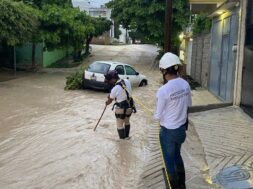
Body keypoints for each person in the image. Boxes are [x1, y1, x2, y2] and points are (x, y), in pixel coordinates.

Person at [154, 52, 192, 189]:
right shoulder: (185, 84)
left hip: (168, 132)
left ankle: (173, 186)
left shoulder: (163, 90)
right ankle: (182, 184)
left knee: (168, 159)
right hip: (181, 130)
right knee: (177, 155)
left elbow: (157, 116)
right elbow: (189, 105)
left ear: (163, 70)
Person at [104, 70, 135, 139]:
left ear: (113, 79)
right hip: (130, 106)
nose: (109, 82)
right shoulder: (127, 81)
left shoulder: (115, 89)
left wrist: (107, 102)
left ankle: (122, 143)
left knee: (120, 125)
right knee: (127, 122)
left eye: (109, 80)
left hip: (120, 109)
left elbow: (109, 101)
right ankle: (127, 137)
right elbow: (125, 92)